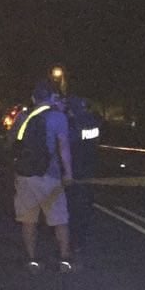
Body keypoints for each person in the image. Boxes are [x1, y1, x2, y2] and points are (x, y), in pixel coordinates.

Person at [10, 80, 74, 273]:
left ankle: (32, 260)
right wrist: (68, 172)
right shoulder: (57, 117)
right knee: (59, 219)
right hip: (50, 175)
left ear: (33, 98)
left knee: (29, 220)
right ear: (52, 97)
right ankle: (64, 260)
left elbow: (13, 145)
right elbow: (63, 146)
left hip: (25, 175)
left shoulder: (22, 117)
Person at [64, 95, 101, 253]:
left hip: (75, 168)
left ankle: (73, 241)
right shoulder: (92, 121)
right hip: (90, 167)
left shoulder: (72, 123)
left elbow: (66, 145)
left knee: (73, 207)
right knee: (85, 205)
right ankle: (82, 239)